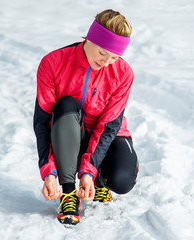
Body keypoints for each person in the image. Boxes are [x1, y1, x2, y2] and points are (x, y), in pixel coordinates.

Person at [33, 9, 139, 225]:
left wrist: (89, 172)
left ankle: (98, 180)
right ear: (90, 38)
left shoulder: (123, 73)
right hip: (68, 133)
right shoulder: (53, 62)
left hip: (106, 135)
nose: (106, 62)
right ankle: (69, 193)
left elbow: (109, 126)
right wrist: (49, 172)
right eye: (102, 53)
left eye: (114, 57)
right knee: (66, 105)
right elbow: (43, 122)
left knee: (121, 181)